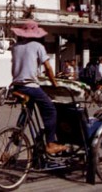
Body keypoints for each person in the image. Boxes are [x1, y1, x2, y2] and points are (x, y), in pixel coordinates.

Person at [10, 20, 68, 155]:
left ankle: (18, 132)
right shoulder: (37, 46)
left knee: (27, 110)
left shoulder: (15, 47)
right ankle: (50, 143)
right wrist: (55, 84)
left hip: (17, 85)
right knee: (50, 110)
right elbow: (48, 67)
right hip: (30, 87)